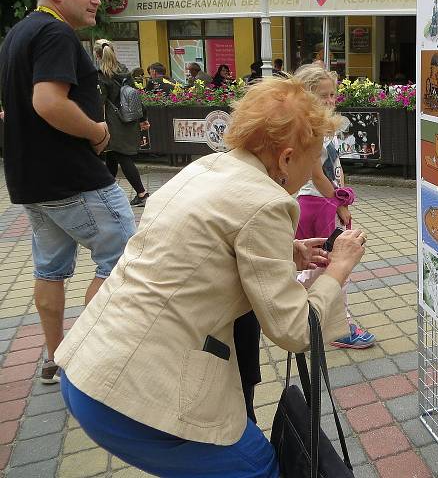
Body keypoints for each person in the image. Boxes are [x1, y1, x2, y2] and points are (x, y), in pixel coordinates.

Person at [55, 78, 366, 477]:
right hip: (137, 395)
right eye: (313, 161)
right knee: (259, 469)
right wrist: (338, 269)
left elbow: (194, 249)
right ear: (287, 159)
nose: (315, 170)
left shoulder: (205, 167)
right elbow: (294, 329)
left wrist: (288, 252)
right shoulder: (269, 202)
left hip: (91, 366)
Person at [0, 0, 137, 383]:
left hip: (31, 180)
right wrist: (97, 131)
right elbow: (48, 101)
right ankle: (82, 354)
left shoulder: (17, 34)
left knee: (49, 269)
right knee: (123, 261)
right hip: (75, 178)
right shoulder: (55, 31)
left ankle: (56, 355)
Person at [295, 64, 376, 349]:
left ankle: (310, 315)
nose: (331, 101)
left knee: (317, 264)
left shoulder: (321, 125)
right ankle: (338, 327)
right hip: (317, 204)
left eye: (333, 95)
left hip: (320, 201)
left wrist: (341, 193)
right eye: (324, 96)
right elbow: (316, 175)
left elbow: (333, 167)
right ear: (306, 96)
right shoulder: (310, 128)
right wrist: (339, 202)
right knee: (335, 265)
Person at [93, 39, 151, 207]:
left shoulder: (101, 75)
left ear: (97, 55)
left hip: (114, 121)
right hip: (129, 119)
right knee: (111, 155)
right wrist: (143, 119)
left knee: (122, 156)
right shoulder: (125, 71)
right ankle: (108, 195)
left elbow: (100, 103)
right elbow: (136, 97)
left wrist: (96, 124)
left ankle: (142, 193)